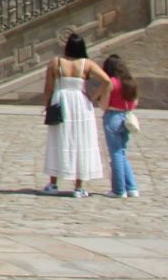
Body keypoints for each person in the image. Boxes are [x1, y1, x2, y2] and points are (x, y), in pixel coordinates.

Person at [42, 32, 107, 196]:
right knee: (81, 139)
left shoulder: (55, 62)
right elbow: (106, 80)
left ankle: (53, 183)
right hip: (80, 102)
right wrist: (94, 97)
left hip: (61, 99)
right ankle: (79, 187)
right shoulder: (87, 64)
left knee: (59, 138)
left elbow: (48, 88)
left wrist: (47, 105)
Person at [101, 54, 140, 198]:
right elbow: (135, 103)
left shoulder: (111, 82)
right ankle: (131, 187)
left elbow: (104, 105)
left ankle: (119, 190)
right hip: (127, 118)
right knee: (122, 152)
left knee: (116, 154)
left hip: (113, 117)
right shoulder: (131, 82)